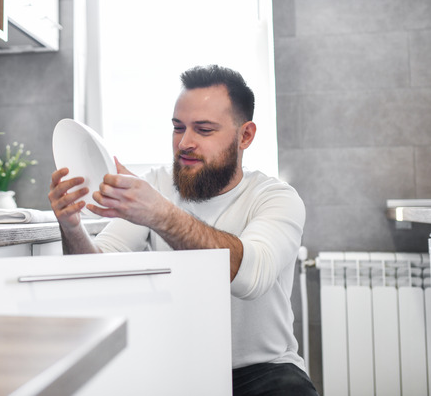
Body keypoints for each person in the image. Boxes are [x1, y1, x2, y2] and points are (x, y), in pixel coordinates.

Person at [48, 64, 318, 396]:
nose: (184, 143)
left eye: (204, 130)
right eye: (178, 128)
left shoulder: (276, 198)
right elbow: (96, 277)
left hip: (264, 372)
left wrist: (159, 213)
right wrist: (71, 226)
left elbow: (251, 277)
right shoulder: (154, 185)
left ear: (245, 135)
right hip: (174, 366)